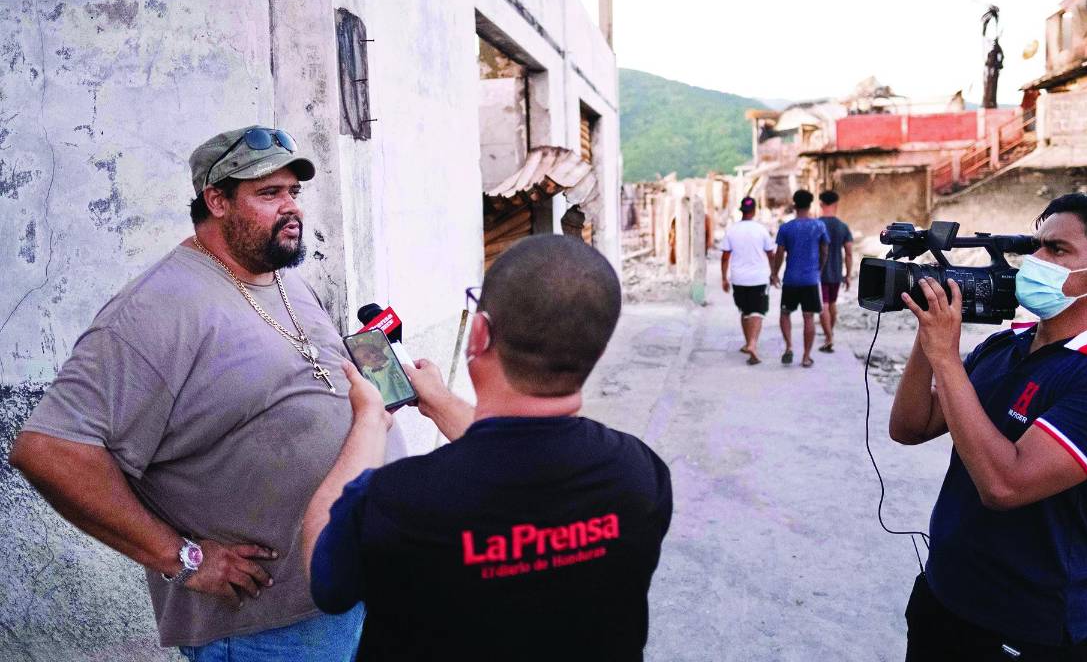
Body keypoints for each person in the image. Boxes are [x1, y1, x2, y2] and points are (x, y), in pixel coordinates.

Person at [9, 127, 371, 661]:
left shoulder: (286, 278)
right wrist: (182, 557)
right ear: (216, 200)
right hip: (265, 629)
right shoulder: (155, 308)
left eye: (293, 191)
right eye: (269, 194)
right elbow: (48, 451)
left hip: (348, 590)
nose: (290, 208)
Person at [301, 235, 673, 660]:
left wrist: (370, 420)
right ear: (599, 350)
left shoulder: (401, 499)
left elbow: (325, 578)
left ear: (479, 334)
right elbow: (522, 460)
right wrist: (441, 402)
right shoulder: (640, 474)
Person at [890, 194, 1087, 661]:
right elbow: (910, 427)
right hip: (942, 598)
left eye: (1056, 250)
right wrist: (928, 336)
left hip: (1027, 630)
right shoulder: (1005, 347)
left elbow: (1004, 485)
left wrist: (945, 357)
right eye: (1035, 247)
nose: (1034, 261)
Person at [770, 190, 829, 367]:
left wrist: (774, 273)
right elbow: (825, 250)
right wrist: (819, 268)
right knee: (808, 317)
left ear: (794, 205)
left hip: (791, 279)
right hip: (810, 279)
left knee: (785, 313)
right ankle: (805, 357)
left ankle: (789, 346)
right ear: (810, 205)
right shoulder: (819, 226)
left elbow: (779, 253)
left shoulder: (786, 228)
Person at [720, 197, 776, 365]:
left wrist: (724, 277)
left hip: (739, 278)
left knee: (744, 311)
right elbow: (770, 254)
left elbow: (725, 257)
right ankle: (752, 344)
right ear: (754, 211)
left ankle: (747, 343)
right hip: (759, 277)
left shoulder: (732, 230)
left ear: (741, 210)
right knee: (757, 312)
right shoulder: (761, 230)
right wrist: (773, 273)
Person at [817, 190, 854, 353]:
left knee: (822, 305)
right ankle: (829, 333)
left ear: (820, 204)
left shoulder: (817, 224)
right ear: (836, 205)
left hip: (819, 272)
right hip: (837, 271)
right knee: (832, 303)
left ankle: (829, 337)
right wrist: (848, 275)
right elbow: (849, 253)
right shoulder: (842, 226)